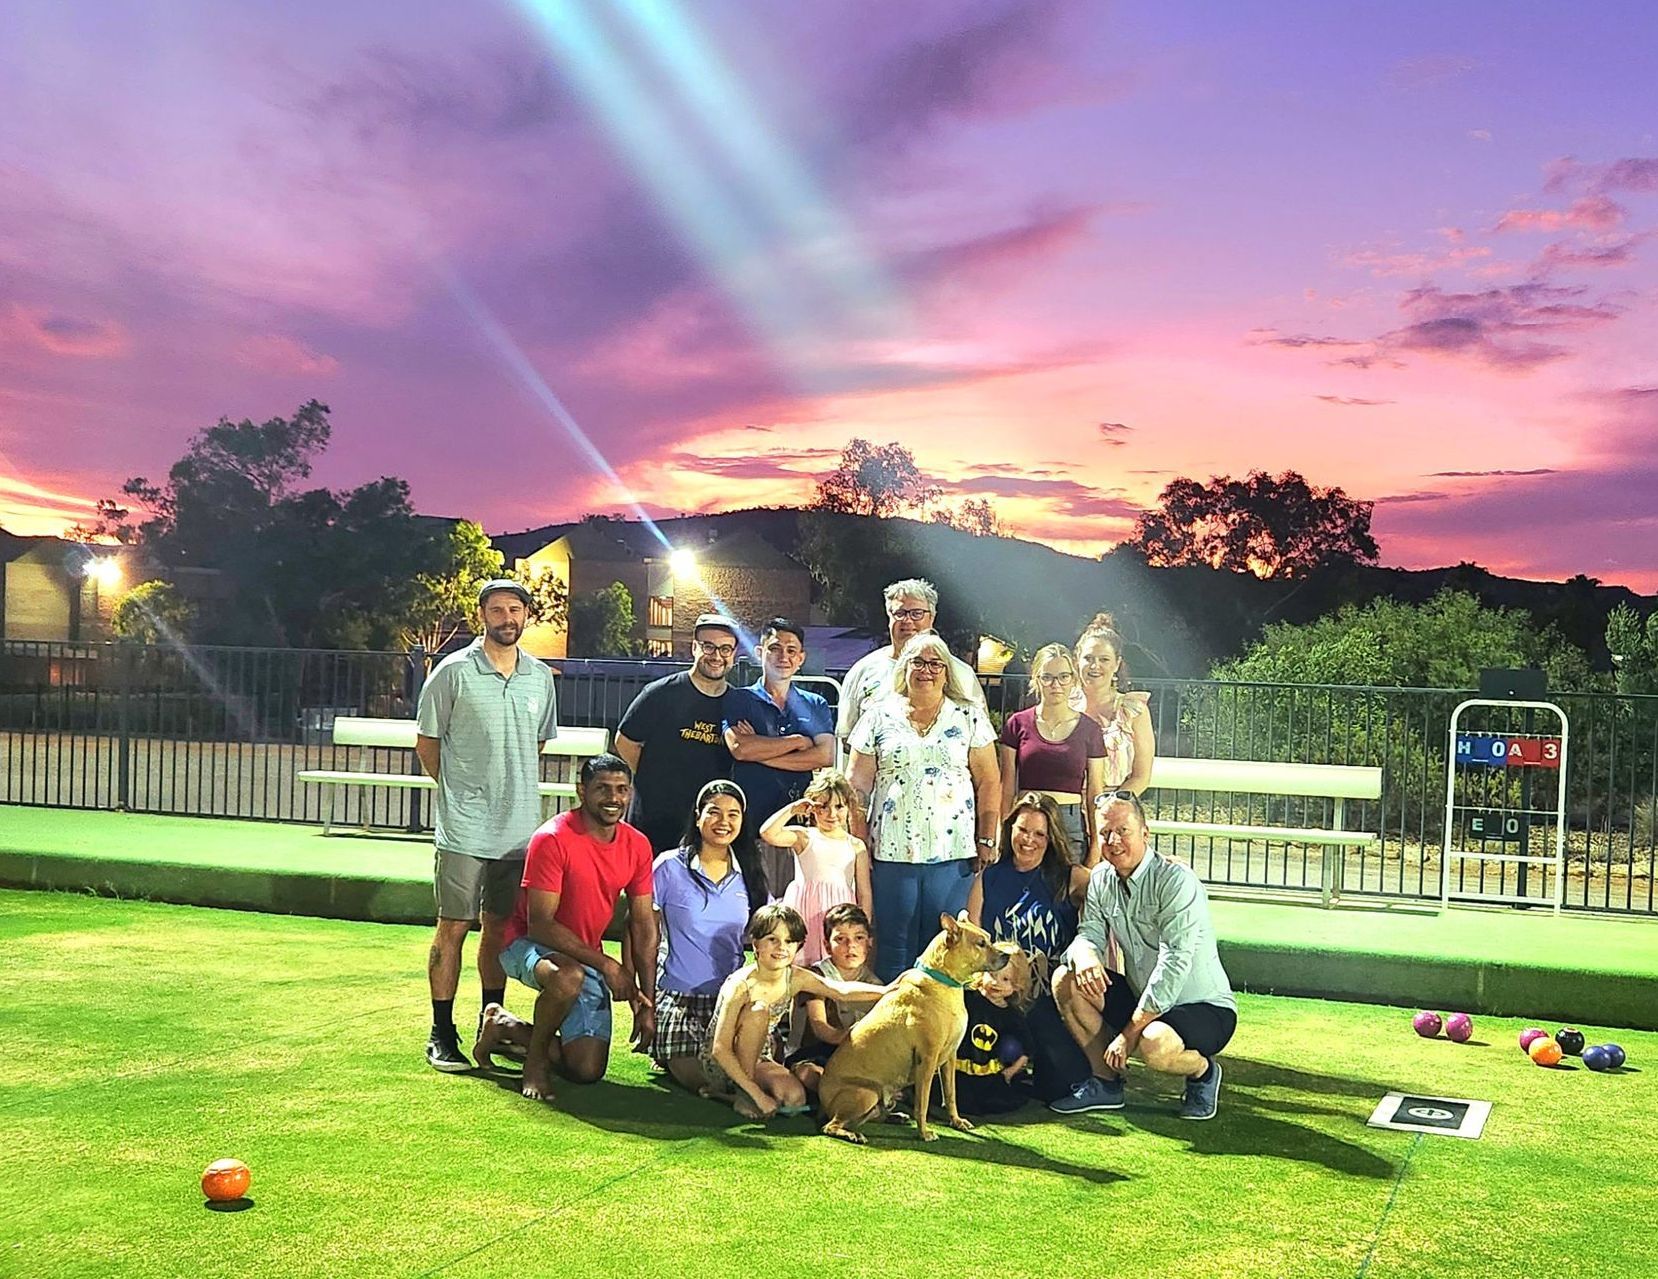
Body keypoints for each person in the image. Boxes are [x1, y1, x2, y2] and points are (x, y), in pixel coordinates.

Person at [415, 577, 558, 1073]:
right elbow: (428, 744)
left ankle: (489, 1023)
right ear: (482, 616)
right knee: (453, 926)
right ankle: (441, 1031)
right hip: (463, 830)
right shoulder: (452, 673)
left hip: (518, 830)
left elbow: (535, 743)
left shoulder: (540, 677)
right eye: (496, 609)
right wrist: (462, 794)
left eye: (514, 609)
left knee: (497, 929)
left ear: (525, 615)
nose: (506, 618)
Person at [476, 753, 658, 1103]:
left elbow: (643, 924)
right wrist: (607, 965)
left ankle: (503, 1026)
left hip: (582, 953)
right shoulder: (553, 837)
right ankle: (533, 1065)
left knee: (585, 1070)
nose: (613, 798)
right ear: (581, 790)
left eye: (621, 789)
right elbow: (540, 924)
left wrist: (645, 1002)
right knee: (567, 977)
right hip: (524, 944)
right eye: (602, 788)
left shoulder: (637, 844)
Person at [1050, 792, 1235, 1121]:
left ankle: (1203, 1072)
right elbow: (1087, 933)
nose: (1113, 841)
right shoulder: (1102, 880)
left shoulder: (1176, 881)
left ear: (1145, 833)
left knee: (1154, 1044)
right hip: (1142, 997)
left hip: (1203, 1006)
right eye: (1105, 833)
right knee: (1066, 979)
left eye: (1123, 831)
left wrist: (1127, 1035)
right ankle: (1106, 1082)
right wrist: (1087, 954)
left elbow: (1173, 963)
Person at [847, 632, 1001, 981]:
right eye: (918, 662)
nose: (927, 670)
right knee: (892, 947)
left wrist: (987, 837)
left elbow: (989, 781)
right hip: (891, 852)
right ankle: (894, 1028)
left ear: (948, 672)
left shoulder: (968, 716)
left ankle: (940, 1032)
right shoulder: (877, 715)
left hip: (952, 854)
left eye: (936, 664)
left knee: (946, 949)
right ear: (904, 668)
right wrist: (859, 841)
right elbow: (857, 786)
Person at [701, 904, 887, 1119]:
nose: (781, 947)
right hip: (724, 1062)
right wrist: (757, 1095)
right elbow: (719, 1048)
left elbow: (841, 991)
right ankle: (743, 1094)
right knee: (759, 1010)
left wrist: (888, 990)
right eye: (773, 939)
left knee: (793, 1098)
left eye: (789, 941)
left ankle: (726, 1095)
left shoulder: (794, 976)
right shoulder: (740, 984)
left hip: (761, 1057)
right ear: (756, 944)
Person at [968, 792, 1093, 1104]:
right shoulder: (989, 877)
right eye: (1022, 829)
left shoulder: (1070, 877)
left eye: (1039, 833)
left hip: (1047, 997)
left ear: (1051, 838)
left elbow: (1115, 890)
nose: (1029, 840)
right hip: (998, 997)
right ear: (1010, 828)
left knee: (1056, 1087)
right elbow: (973, 942)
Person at [649, 779, 770, 1093]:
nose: (724, 822)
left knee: (758, 1073)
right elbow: (642, 932)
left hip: (730, 999)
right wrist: (643, 1000)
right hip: (678, 996)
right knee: (705, 1080)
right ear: (698, 815)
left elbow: (768, 935)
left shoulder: (752, 873)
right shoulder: (668, 866)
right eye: (714, 812)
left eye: (733, 814)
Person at [722, 618, 835, 896]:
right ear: (760, 652)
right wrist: (796, 742)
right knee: (753, 909)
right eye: (775, 648)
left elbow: (825, 755)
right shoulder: (739, 699)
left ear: (801, 658)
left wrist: (761, 750)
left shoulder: (815, 703)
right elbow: (740, 749)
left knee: (795, 908)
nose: (783, 656)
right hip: (751, 823)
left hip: (799, 825)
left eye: (791, 650)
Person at [614, 613, 739, 854]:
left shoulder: (737, 703)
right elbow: (625, 741)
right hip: (654, 821)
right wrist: (655, 779)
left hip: (707, 826)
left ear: (733, 655)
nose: (717, 656)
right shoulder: (661, 693)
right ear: (694, 647)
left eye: (725, 649)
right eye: (709, 647)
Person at [836, 577, 985, 749]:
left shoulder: (961, 673)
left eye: (917, 613)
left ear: (932, 618)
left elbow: (980, 739)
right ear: (888, 616)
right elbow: (847, 739)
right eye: (899, 613)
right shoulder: (862, 671)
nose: (907, 621)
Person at [998, 643, 1107, 859]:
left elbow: (1095, 791)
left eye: (1063, 677)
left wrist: (1095, 845)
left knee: (1068, 890)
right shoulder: (1017, 724)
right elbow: (1007, 787)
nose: (1055, 685)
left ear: (1073, 679)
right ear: (1037, 679)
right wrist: (1002, 832)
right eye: (1047, 677)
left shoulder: (1090, 729)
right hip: (1027, 822)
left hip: (1069, 823)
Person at [757, 768, 873, 966]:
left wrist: (864, 929)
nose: (832, 814)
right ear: (812, 808)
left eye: (839, 807)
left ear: (849, 807)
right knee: (801, 963)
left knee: (835, 965)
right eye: (824, 807)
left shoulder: (855, 845)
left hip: (838, 910)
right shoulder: (805, 836)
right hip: (805, 908)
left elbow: (864, 892)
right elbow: (768, 833)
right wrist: (793, 809)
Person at [786, 903, 878, 1095]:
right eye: (840, 939)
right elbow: (820, 1027)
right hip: (812, 1054)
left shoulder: (875, 984)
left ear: (869, 942)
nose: (850, 945)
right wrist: (852, 1037)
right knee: (810, 1074)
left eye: (858, 938)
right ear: (827, 945)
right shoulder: (815, 976)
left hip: (854, 1057)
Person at [936, 942, 1034, 1117]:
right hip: (956, 1071)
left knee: (992, 1103)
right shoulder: (967, 998)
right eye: (992, 974)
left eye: (1005, 979)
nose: (996, 982)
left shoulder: (1011, 1016)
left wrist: (1010, 1072)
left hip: (987, 1077)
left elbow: (1027, 1049)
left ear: (1016, 985)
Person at [1074, 612, 1155, 794]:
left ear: (1117, 664)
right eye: (1088, 658)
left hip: (1116, 809)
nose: (1095, 666)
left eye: (1104, 659)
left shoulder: (1134, 711)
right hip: (1067, 810)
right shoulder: (1063, 706)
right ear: (1077, 660)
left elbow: (1141, 776)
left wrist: (1111, 805)